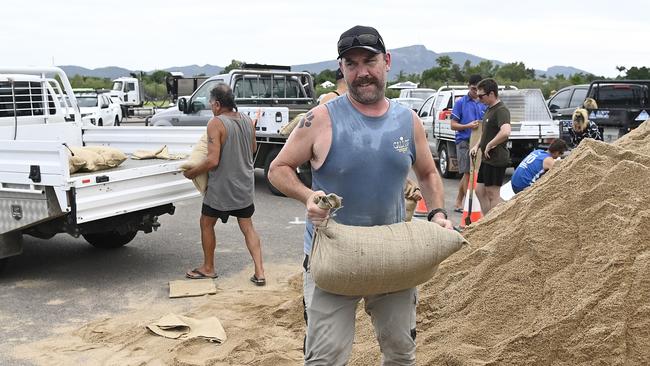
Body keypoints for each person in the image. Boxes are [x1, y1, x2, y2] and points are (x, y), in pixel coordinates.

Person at [268, 25, 453, 365]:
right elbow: (278, 169)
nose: (362, 72)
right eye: (351, 64)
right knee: (325, 358)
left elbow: (427, 172)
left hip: (393, 255)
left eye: (369, 61)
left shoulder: (407, 120)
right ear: (342, 69)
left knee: (400, 352)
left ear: (387, 61)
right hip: (333, 258)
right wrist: (308, 195)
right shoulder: (320, 119)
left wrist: (438, 213)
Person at [182, 83, 266, 286]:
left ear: (218, 104)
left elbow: (212, 161)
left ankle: (208, 268)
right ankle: (260, 272)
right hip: (245, 186)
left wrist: (191, 173)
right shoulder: (247, 120)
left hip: (222, 188)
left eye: (211, 103)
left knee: (206, 223)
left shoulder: (216, 123)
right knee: (247, 226)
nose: (211, 107)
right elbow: (253, 148)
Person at [470, 78, 511, 215]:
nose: (479, 99)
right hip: (487, 159)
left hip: (497, 158)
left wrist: (490, 144)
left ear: (492, 94)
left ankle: (496, 223)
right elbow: (486, 133)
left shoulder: (501, 110)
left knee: (493, 194)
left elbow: (505, 131)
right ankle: (487, 221)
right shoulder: (489, 109)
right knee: (479, 191)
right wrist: (477, 146)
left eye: (481, 96)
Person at [450, 74, 486, 212]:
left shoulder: (483, 103)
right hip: (464, 141)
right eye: (473, 89)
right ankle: (468, 206)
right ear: (468, 86)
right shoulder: (460, 103)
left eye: (478, 89)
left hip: (478, 142)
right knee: (467, 173)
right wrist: (468, 125)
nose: (475, 92)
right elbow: (453, 125)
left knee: (470, 173)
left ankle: (459, 201)